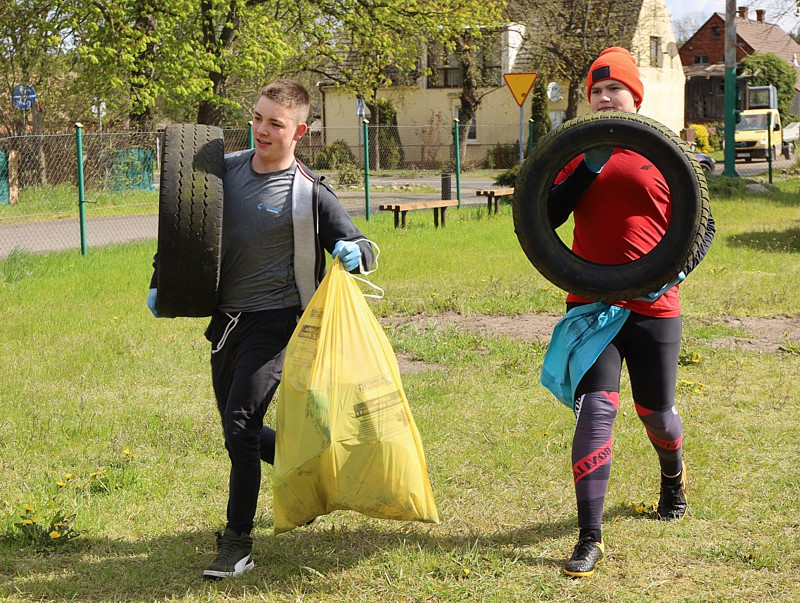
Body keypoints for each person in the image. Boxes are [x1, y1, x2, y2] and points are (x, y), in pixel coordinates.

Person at [147, 79, 376, 579]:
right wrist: (160, 280)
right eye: (257, 118)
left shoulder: (309, 191)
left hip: (278, 324)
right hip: (226, 324)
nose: (262, 129)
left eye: (275, 122)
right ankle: (312, 474)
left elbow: (362, 242)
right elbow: (183, 231)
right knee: (239, 436)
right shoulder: (222, 173)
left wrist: (356, 254)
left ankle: (236, 544)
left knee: (241, 425)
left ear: (300, 130)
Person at [545, 47, 715, 578]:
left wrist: (680, 272)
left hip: (655, 305)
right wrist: (586, 170)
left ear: (634, 95)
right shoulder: (574, 153)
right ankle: (589, 536)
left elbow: (702, 227)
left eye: (613, 89)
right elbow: (544, 215)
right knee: (598, 410)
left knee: (655, 414)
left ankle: (672, 477)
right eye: (595, 91)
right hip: (593, 305)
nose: (603, 98)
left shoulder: (665, 152)